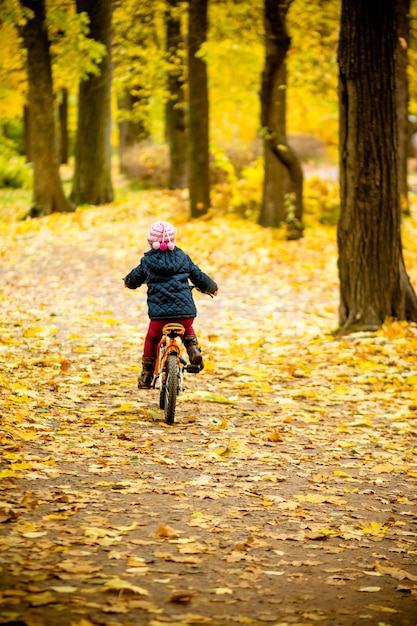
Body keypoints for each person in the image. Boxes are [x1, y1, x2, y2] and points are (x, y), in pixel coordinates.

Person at [123, 221, 218, 389]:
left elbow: (133, 279)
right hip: (185, 313)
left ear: (150, 242)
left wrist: (127, 282)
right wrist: (213, 288)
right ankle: (194, 351)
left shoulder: (147, 261)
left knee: (152, 339)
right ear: (173, 239)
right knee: (187, 327)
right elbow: (199, 276)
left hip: (159, 317)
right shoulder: (183, 257)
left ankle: (146, 376)